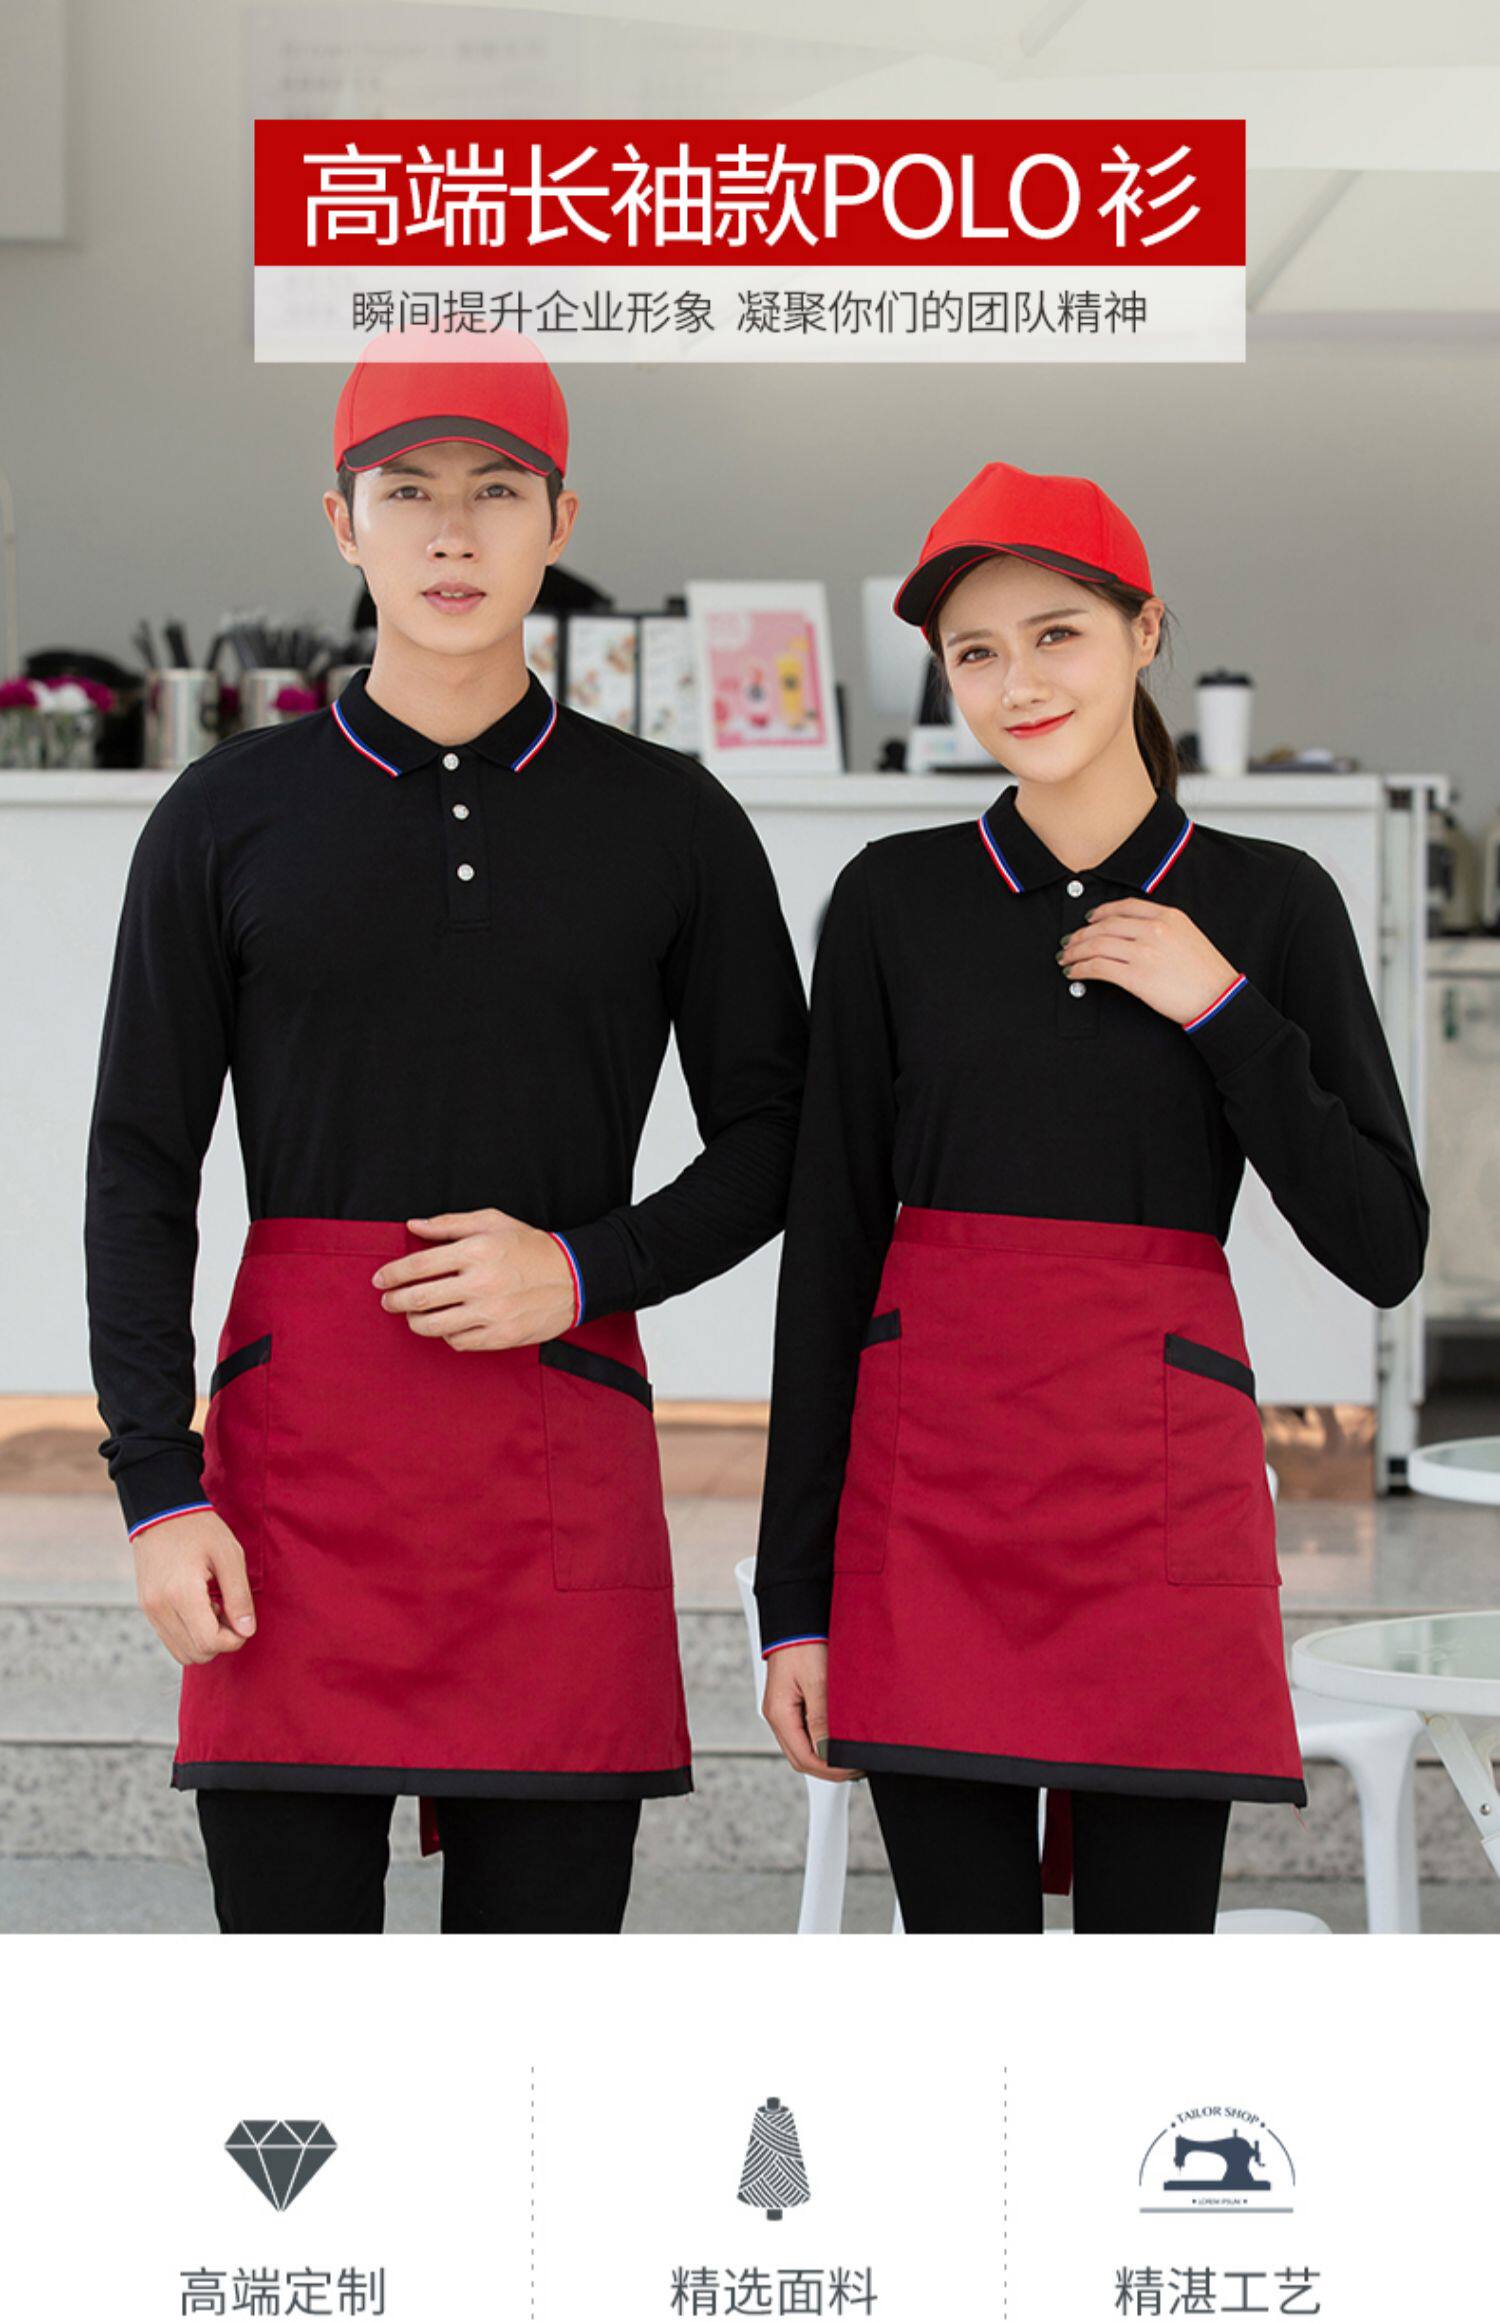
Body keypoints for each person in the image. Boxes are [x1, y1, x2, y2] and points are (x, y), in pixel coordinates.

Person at [84, 331, 808, 1935]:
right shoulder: (224, 814)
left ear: (561, 520)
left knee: (533, 2028)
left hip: (557, 1446)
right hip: (290, 1478)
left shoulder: (673, 819)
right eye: (406, 491)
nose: (453, 531)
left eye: (498, 489)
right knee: (300, 2026)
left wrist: (587, 1268)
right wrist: (156, 1483)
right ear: (342, 523)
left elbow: (783, 1133)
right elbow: (139, 1164)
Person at [753, 459, 1428, 1934]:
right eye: (975, 653)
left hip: (1157, 1503)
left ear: (1145, 631)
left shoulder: (1270, 904)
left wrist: (1223, 1008)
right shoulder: (890, 899)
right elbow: (831, 1249)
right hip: (929, 1509)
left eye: (1057, 633)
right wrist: (790, 1598)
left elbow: (1383, 1243)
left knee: (1146, 1987)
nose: (1019, 682)